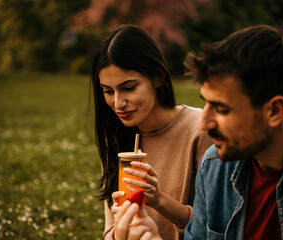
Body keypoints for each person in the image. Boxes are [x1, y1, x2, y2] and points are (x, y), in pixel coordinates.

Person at [113, 24, 283, 240]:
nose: (204, 123)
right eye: (206, 104)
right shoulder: (214, 166)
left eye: (222, 109)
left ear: (274, 111)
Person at [90, 24, 212, 239]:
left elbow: (213, 225)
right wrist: (121, 230)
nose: (118, 103)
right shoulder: (116, 140)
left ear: (158, 77)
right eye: (108, 91)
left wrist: (158, 200)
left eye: (128, 88)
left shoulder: (200, 130)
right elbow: (109, 232)